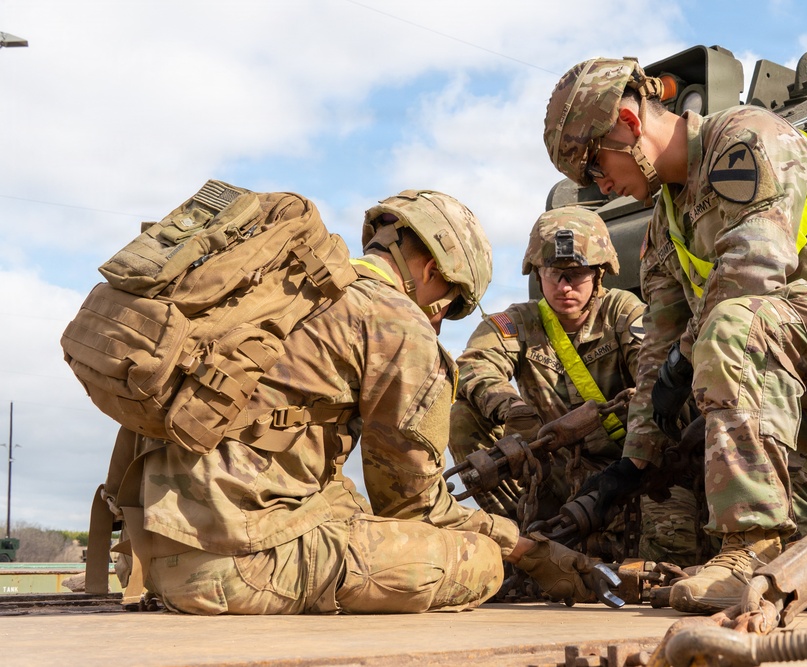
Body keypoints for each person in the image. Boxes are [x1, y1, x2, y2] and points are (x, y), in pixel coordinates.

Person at [542, 58, 807, 613]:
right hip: (802, 381)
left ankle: (746, 545)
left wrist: (684, 359)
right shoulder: (663, 227)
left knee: (734, 322)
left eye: (593, 165)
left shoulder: (745, 139)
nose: (599, 185)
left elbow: (753, 272)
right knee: (802, 567)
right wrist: (634, 463)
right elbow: (658, 352)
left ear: (628, 121)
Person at [115, 189, 596, 614]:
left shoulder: (285, 288)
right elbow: (412, 507)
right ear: (432, 271)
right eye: (448, 306)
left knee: (346, 504)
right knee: (481, 562)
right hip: (237, 566)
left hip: (153, 553)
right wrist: (522, 548)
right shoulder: (396, 319)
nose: (438, 319)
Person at [449, 206, 699, 564]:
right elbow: (475, 365)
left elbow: (652, 372)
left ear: (599, 274)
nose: (564, 286)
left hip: (631, 472)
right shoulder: (518, 322)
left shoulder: (623, 313)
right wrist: (512, 408)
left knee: (671, 549)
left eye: (576, 275)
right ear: (538, 273)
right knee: (463, 417)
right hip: (549, 475)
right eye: (555, 274)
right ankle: (521, 540)